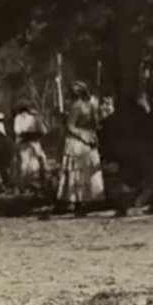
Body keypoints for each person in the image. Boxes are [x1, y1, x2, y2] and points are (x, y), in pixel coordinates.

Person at [56, 80, 105, 216]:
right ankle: (83, 200)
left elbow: (70, 126)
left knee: (80, 170)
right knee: (83, 170)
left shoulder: (77, 106)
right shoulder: (90, 106)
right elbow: (93, 124)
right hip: (86, 138)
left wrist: (84, 135)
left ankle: (79, 200)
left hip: (79, 140)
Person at [12, 103, 49, 196]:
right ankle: (25, 186)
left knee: (36, 163)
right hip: (24, 144)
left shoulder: (33, 118)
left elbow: (43, 131)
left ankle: (36, 185)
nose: (24, 115)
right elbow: (18, 131)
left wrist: (33, 134)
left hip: (32, 143)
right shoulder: (19, 118)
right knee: (24, 166)